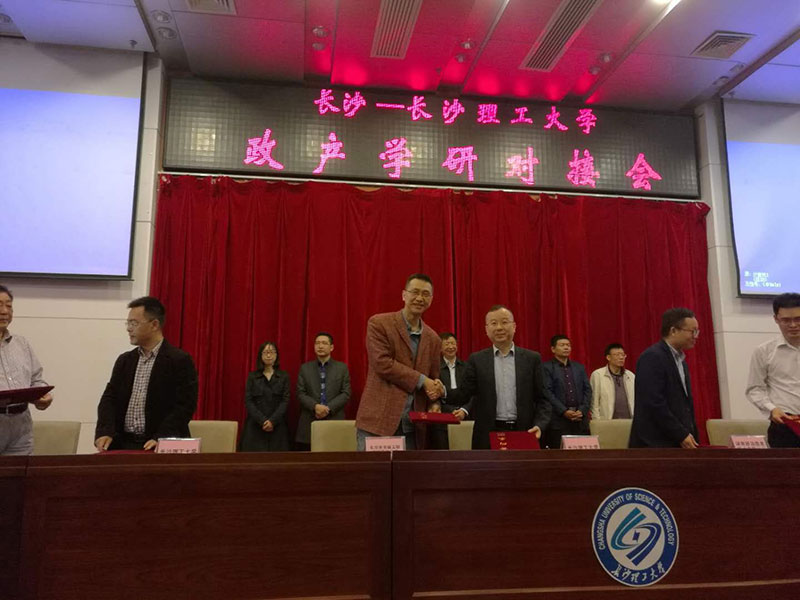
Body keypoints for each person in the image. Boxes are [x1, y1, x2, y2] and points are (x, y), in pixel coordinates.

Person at [95, 296, 198, 451]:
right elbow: (109, 399)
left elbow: (184, 406)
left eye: (134, 323)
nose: (129, 329)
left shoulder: (179, 360)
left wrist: (162, 437)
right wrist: (105, 431)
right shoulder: (125, 360)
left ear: (154, 324)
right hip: (123, 444)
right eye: (128, 323)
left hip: (160, 445)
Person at [355, 273, 444, 450]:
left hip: (412, 427)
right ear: (404, 295)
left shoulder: (433, 339)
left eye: (425, 294)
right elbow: (382, 364)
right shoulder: (379, 323)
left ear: (431, 300)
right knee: (372, 468)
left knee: (408, 470)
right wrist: (422, 380)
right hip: (377, 422)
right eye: (415, 292)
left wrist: (435, 400)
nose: (420, 298)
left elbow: (433, 378)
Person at [455, 305, 550, 449]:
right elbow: (463, 395)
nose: (499, 327)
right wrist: (441, 391)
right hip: (487, 435)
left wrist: (540, 425)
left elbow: (544, 399)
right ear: (486, 330)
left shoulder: (532, 359)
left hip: (525, 432)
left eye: (504, 322)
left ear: (514, 326)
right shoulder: (476, 360)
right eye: (493, 323)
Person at [629, 307, 700, 448]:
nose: (696, 336)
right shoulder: (652, 357)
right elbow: (653, 403)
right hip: (655, 445)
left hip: (679, 442)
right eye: (692, 331)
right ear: (673, 331)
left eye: (697, 332)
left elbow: (684, 406)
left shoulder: (681, 362)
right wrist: (680, 434)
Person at [0, 284, 53, 455]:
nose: (4, 311)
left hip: (21, 426)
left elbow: (36, 379)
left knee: (21, 472)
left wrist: (42, 396)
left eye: (9, 306)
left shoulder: (21, 344)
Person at [746, 292, 800, 448]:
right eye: (786, 320)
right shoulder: (764, 351)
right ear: (776, 319)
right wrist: (771, 409)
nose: (793, 325)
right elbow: (754, 389)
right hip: (784, 425)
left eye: (798, 319)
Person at [295, 332, 351, 450]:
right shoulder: (305, 368)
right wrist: (315, 406)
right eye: (317, 343)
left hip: (334, 419)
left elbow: (346, 393)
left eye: (324, 343)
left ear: (331, 347)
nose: (320, 346)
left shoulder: (342, 368)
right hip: (310, 420)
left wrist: (328, 408)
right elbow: (300, 393)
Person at [542, 335, 592, 449]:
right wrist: (564, 411)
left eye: (568, 345)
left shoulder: (579, 367)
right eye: (562, 345)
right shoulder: (546, 368)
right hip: (558, 421)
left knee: (581, 454)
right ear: (553, 349)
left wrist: (582, 410)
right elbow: (547, 392)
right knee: (559, 455)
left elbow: (588, 390)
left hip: (580, 420)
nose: (566, 347)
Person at [240, 341, 290, 452]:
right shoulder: (252, 377)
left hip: (277, 426)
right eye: (265, 352)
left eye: (272, 352)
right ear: (260, 355)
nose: (268, 355)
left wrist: (272, 421)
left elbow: (285, 401)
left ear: (276, 355)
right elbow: (248, 401)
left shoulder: (283, 376)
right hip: (255, 426)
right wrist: (262, 420)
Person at [430, 332, 468, 449]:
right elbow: (432, 393)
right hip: (442, 417)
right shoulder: (434, 368)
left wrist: (464, 410)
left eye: (453, 343)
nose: (450, 347)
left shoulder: (467, 367)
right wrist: (435, 405)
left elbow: (473, 392)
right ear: (440, 348)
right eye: (446, 344)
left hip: (464, 416)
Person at [589, 343, 635, 420]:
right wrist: (597, 421)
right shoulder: (598, 375)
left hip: (629, 421)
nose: (621, 357)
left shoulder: (630, 376)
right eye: (617, 355)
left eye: (623, 355)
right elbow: (594, 402)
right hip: (607, 421)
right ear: (608, 357)